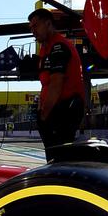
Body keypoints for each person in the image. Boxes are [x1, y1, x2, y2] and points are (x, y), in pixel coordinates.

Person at [27, 8, 86, 151]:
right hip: (55, 111)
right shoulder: (45, 48)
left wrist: (44, 116)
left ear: (48, 24)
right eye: (31, 27)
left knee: (60, 157)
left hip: (64, 110)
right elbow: (47, 83)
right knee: (54, 156)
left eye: (36, 26)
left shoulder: (59, 46)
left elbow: (56, 84)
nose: (33, 30)